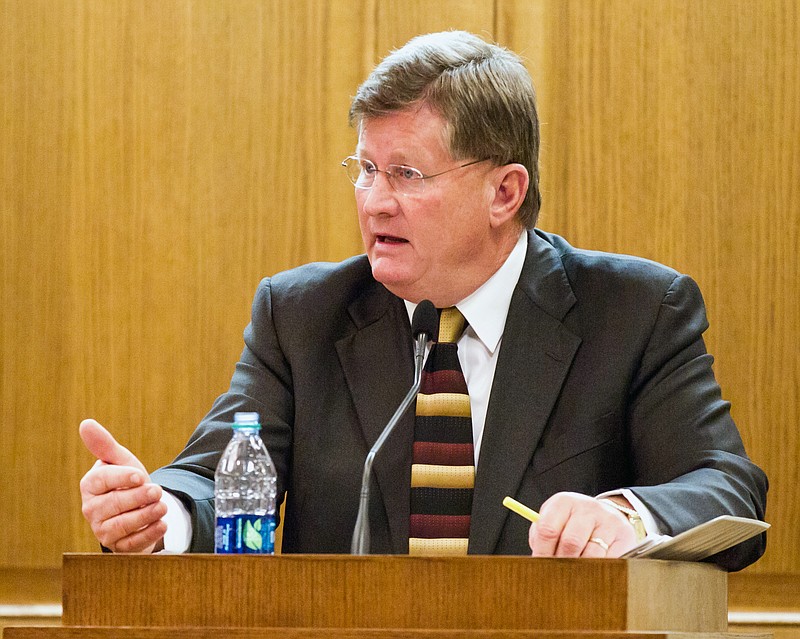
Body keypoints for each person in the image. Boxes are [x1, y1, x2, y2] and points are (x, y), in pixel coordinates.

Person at [79, 30, 767, 570]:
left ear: (505, 192)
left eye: (406, 173)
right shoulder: (302, 315)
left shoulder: (636, 312)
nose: (375, 200)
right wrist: (159, 512)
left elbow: (730, 489)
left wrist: (628, 515)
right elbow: (213, 477)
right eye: (367, 169)